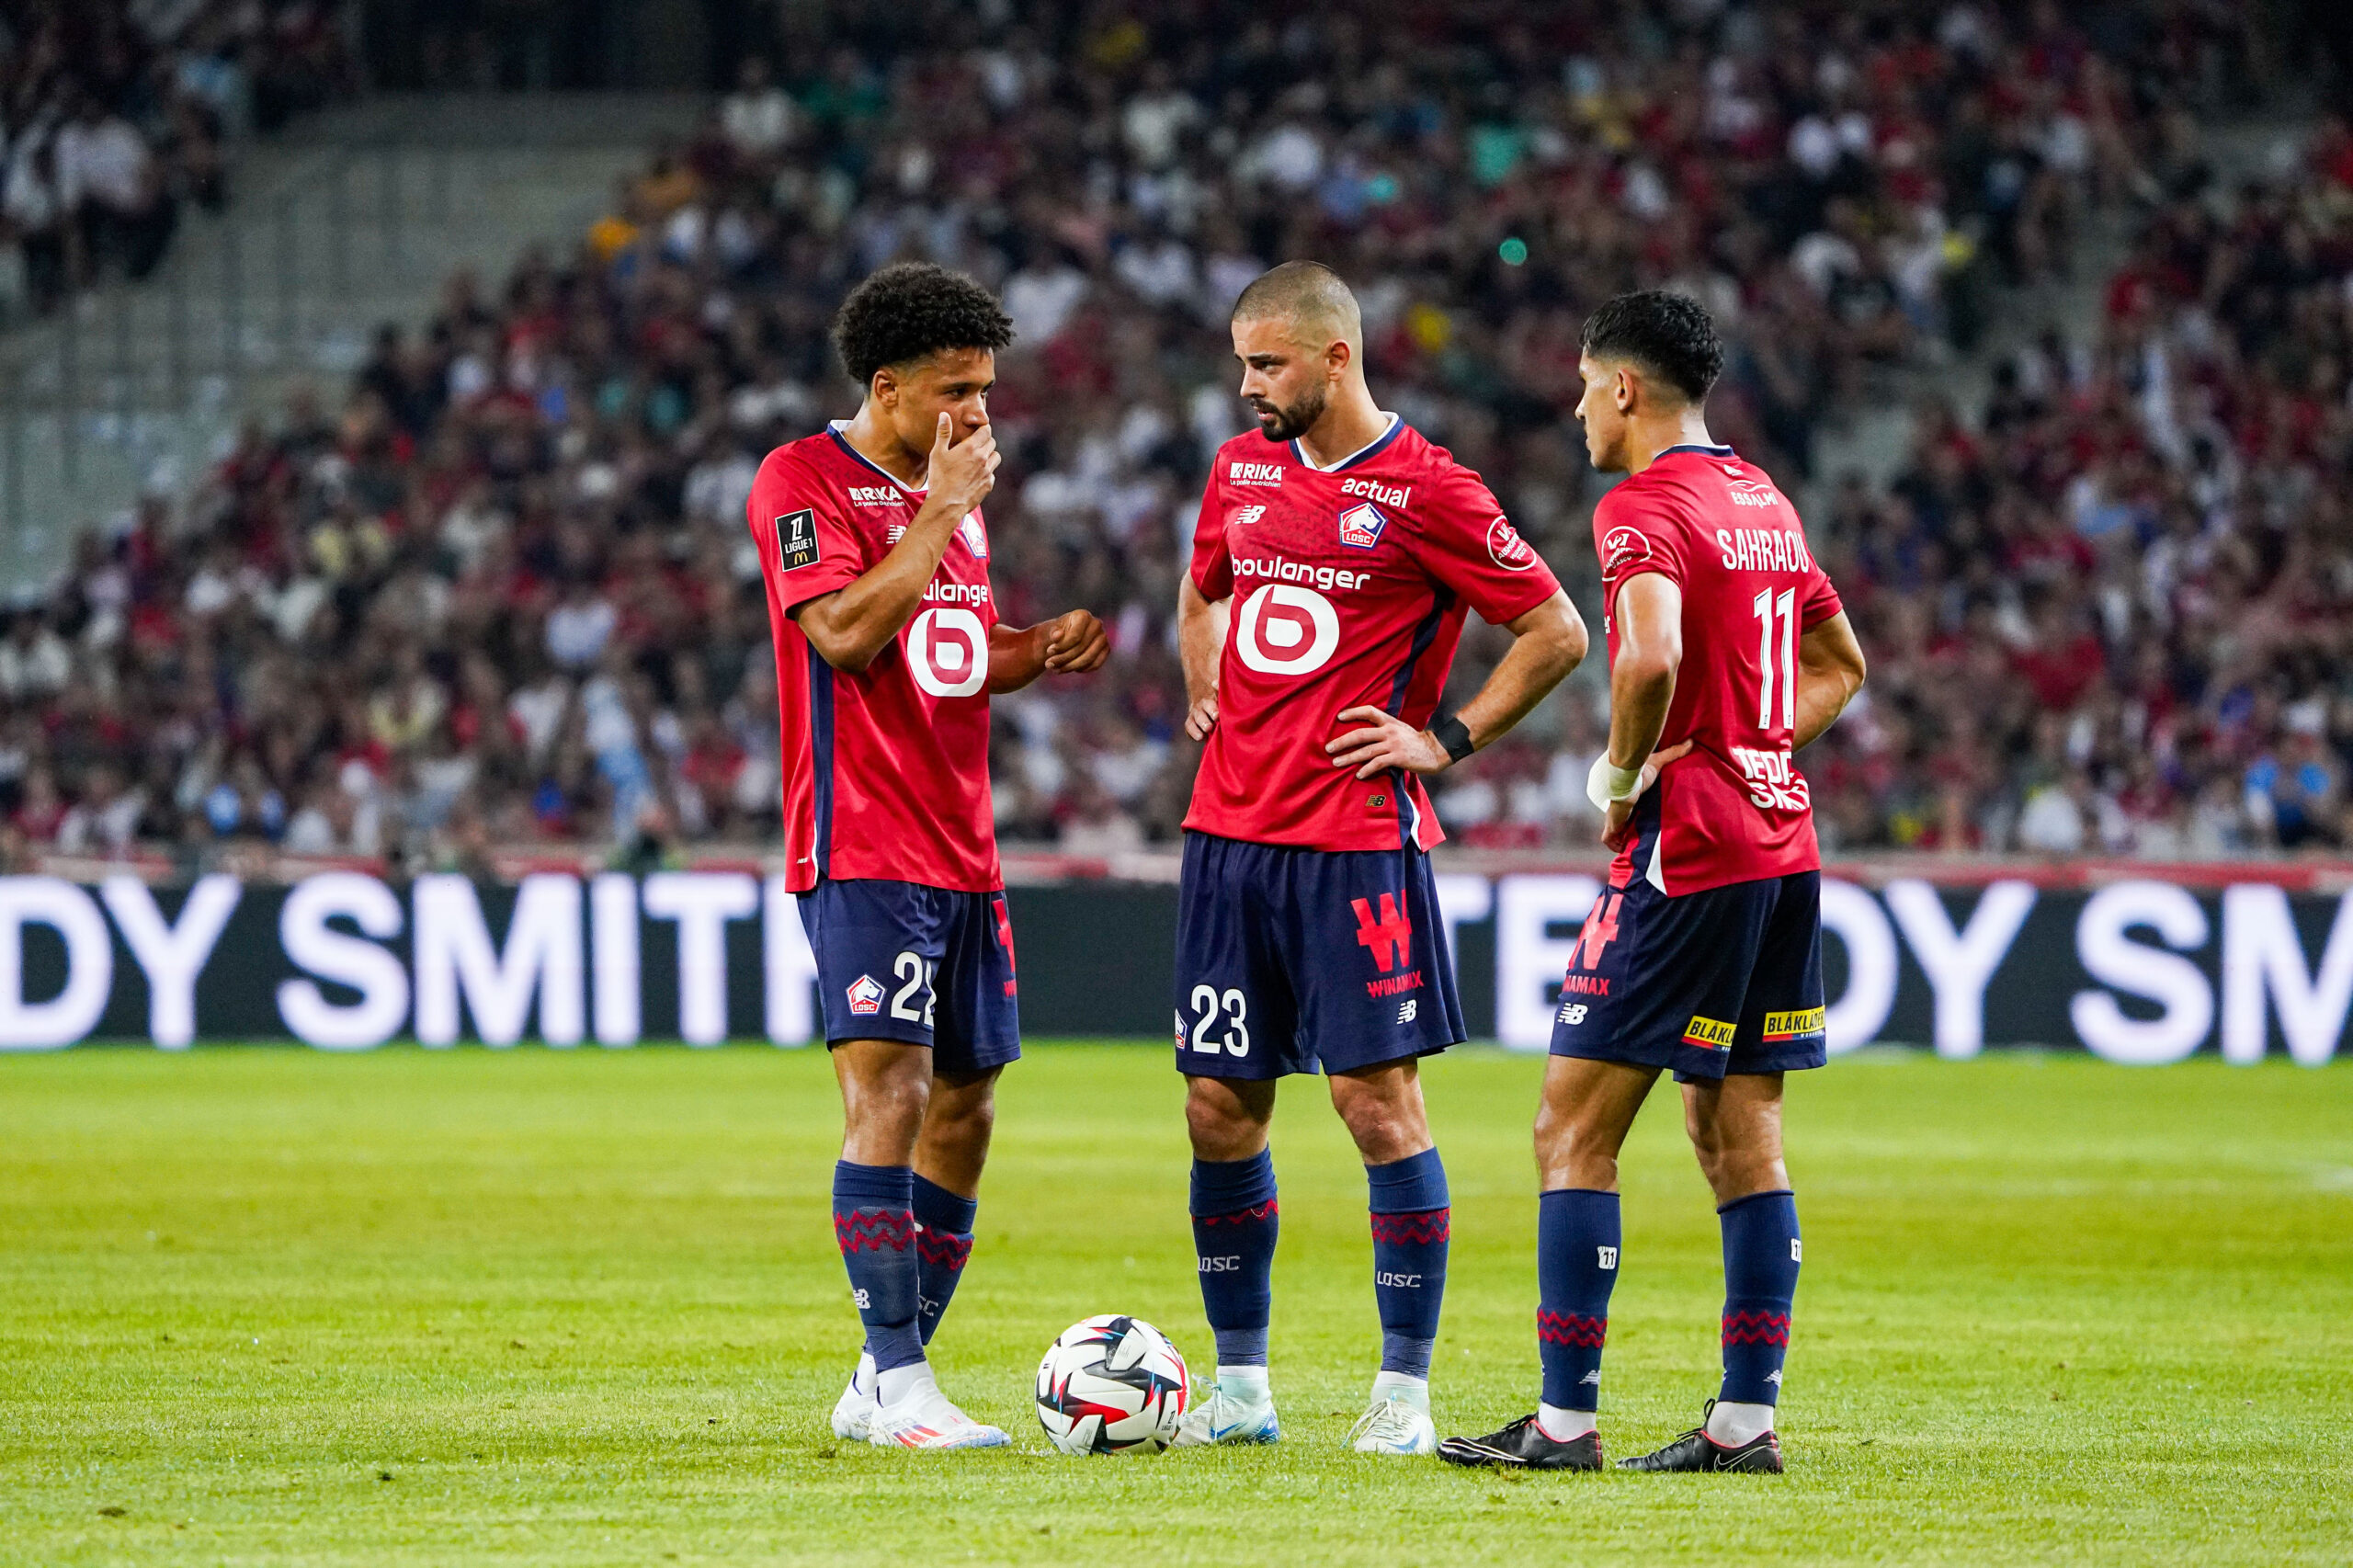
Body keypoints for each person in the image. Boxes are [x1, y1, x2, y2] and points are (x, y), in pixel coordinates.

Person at [1438, 291, 1867, 1473]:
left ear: (1623, 388)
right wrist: (1759, 746)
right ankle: (1743, 1422)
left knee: (1570, 1125)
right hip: (1783, 845)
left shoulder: (1642, 504)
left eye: (1583, 386)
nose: (1575, 408)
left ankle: (1563, 1421)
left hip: (1688, 852)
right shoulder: (1761, 498)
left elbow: (1653, 653)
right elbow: (1843, 663)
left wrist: (1621, 777)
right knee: (1738, 1125)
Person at [1173, 262, 1588, 1454]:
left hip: (1354, 844)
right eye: (1242, 362)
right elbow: (1203, 588)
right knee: (1217, 1107)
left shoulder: (1429, 488)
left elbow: (1556, 629)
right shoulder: (1240, 469)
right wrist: (1204, 671)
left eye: (1268, 364)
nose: (1248, 386)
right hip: (1227, 838)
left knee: (1376, 1104)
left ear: (1336, 357)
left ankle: (1402, 1394)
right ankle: (1241, 1392)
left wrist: (1443, 737)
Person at [745, 261, 1109, 1450]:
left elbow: (942, 652)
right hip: (862, 838)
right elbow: (847, 634)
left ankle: (880, 1371)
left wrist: (1031, 648)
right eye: (957, 390)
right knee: (889, 1095)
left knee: (969, 1107)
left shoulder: (959, 496)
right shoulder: (801, 481)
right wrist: (941, 510)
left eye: (988, 392)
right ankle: (904, 1387)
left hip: (963, 848)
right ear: (887, 385)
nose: (978, 417)